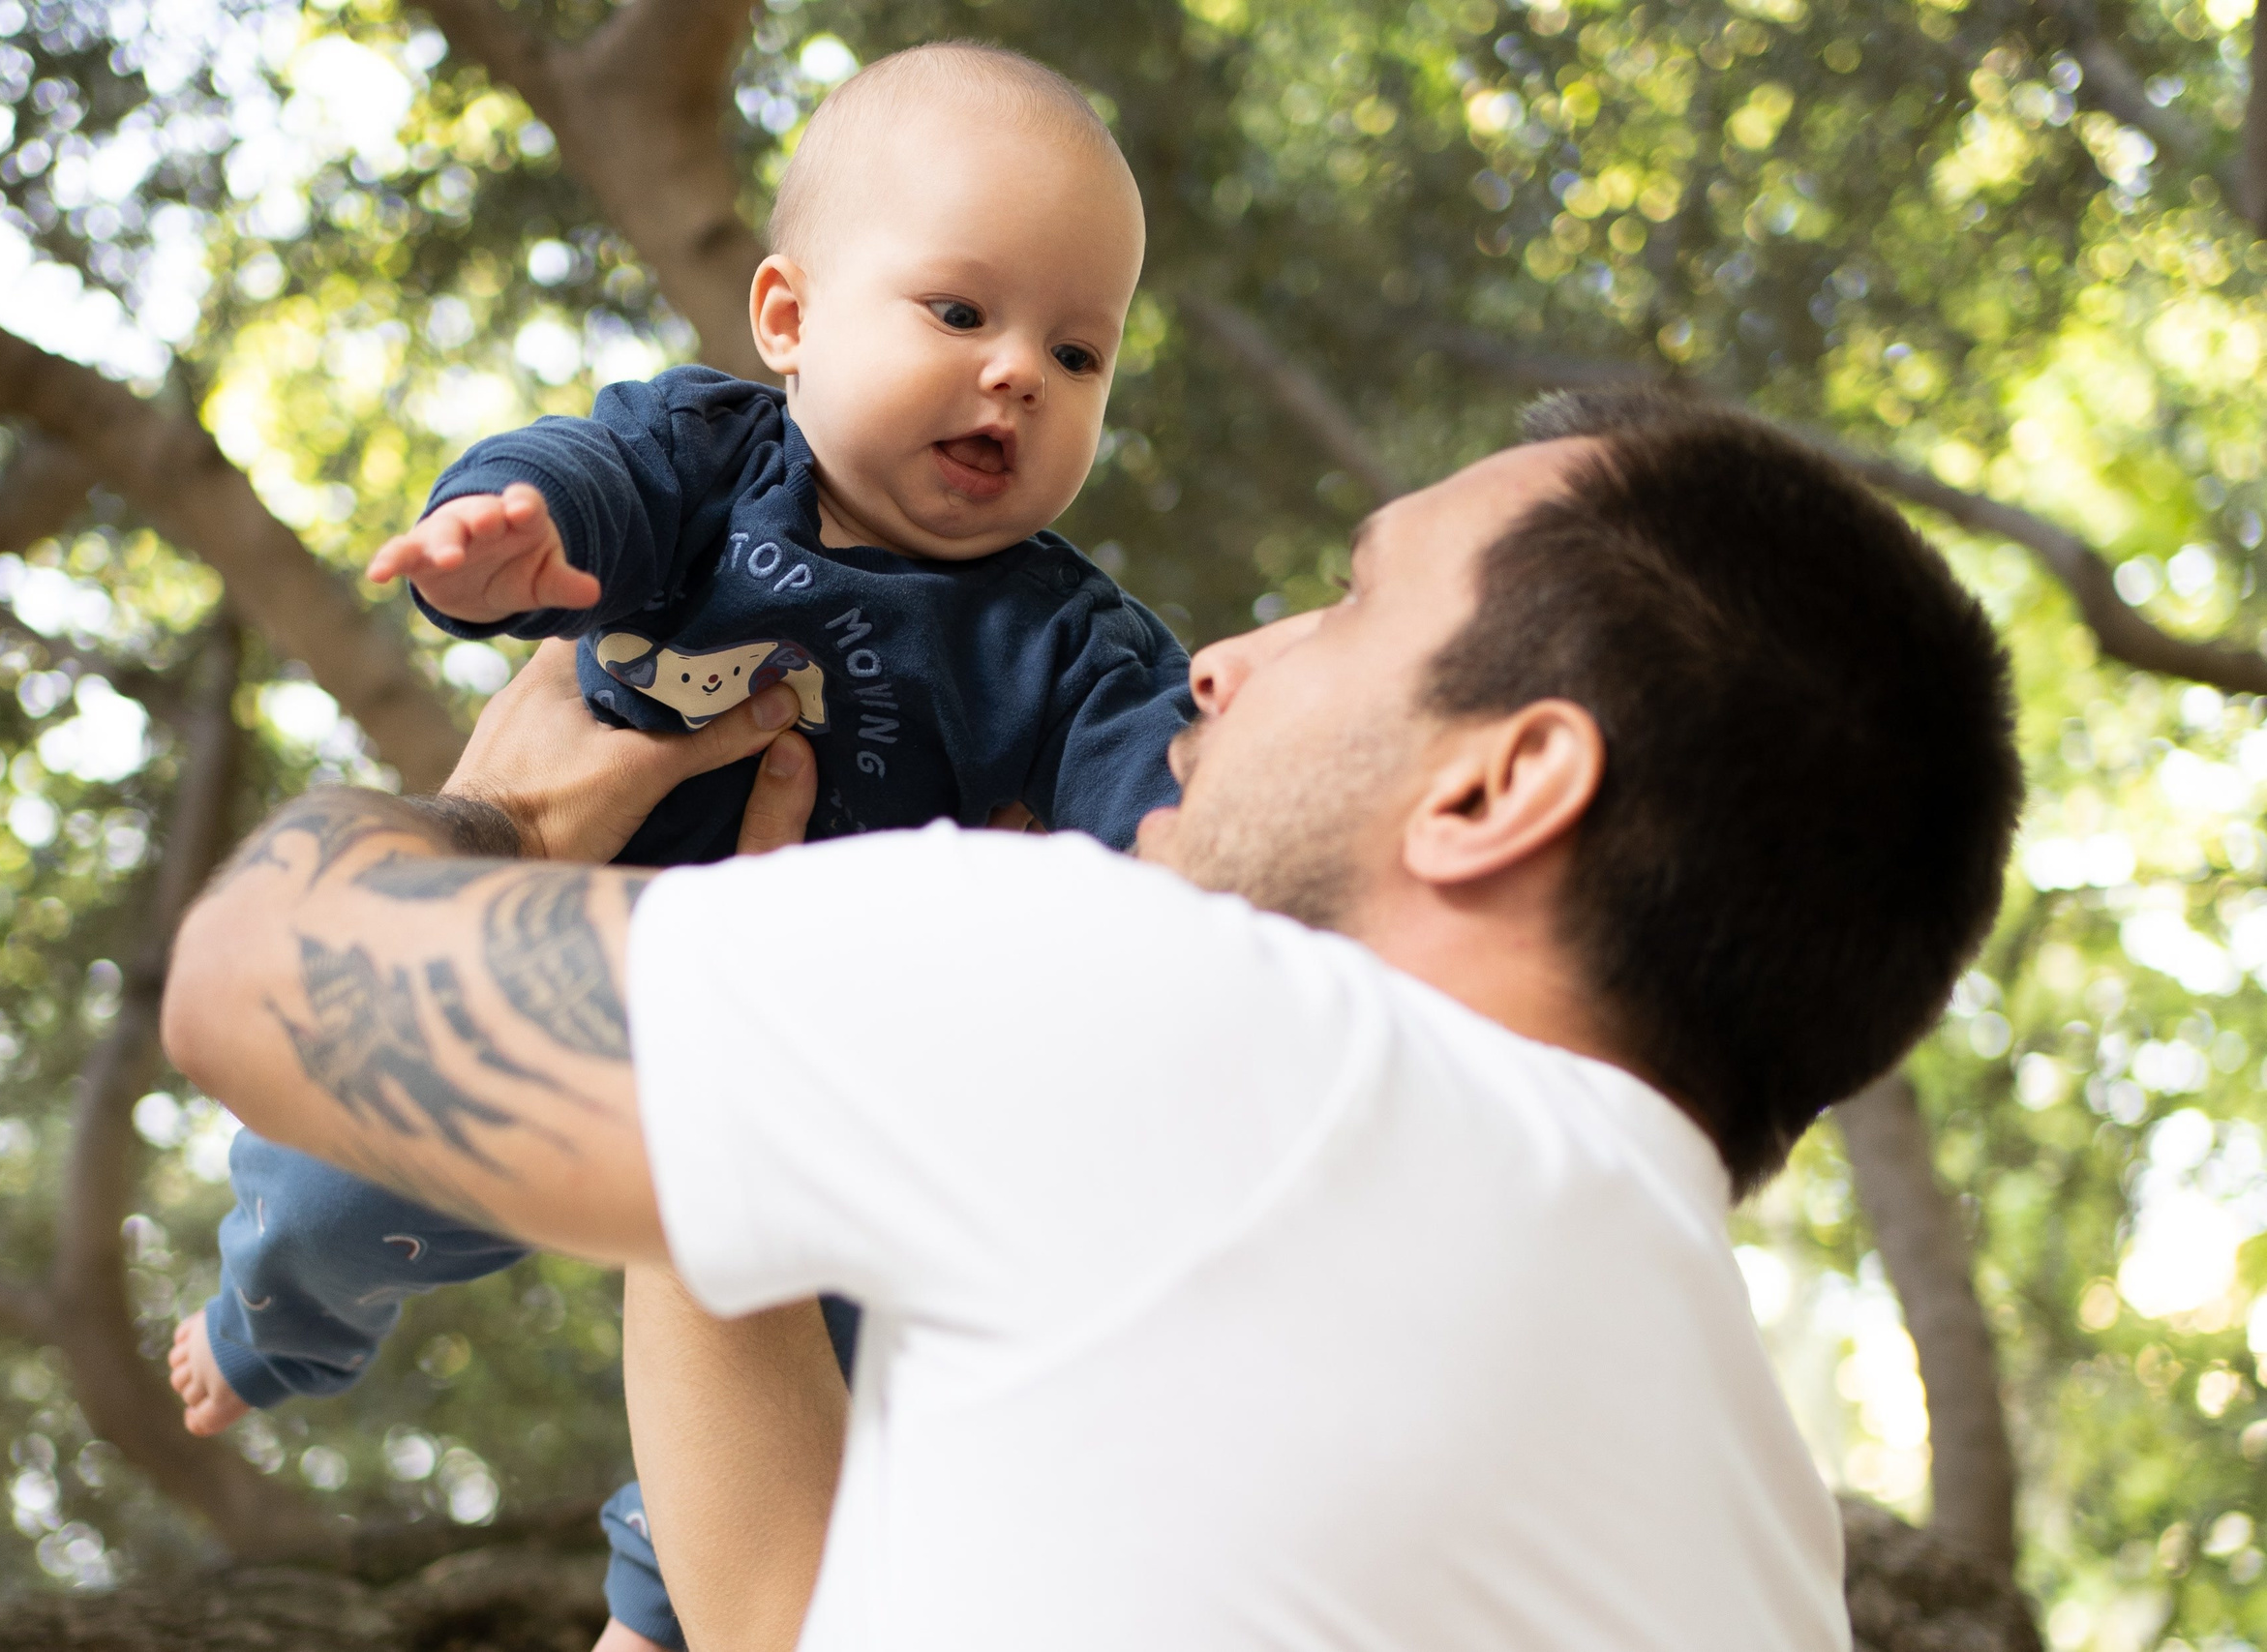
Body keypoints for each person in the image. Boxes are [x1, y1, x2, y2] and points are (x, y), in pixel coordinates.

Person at [160, 391, 2022, 1651]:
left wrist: (507, 823)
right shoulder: (1759, 1541)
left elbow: (258, 981)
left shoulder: (1210, 1030)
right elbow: (797, 1620)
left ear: (1499, 786)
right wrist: (742, 1032)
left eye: (1353, 605)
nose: (1223, 655)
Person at [164, 43, 1185, 1646]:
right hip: (565, 994)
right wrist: (509, 538)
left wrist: (1181, 863)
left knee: (838, 1337)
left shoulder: (1065, 638)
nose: (1020, 377)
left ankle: (665, 1593)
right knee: (341, 1165)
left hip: (810, 1078)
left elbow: (1158, 789)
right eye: (962, 314)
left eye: (1079, 351)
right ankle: (265, 1322)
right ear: (788, 319)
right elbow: (584, 477)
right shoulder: (712, 462)